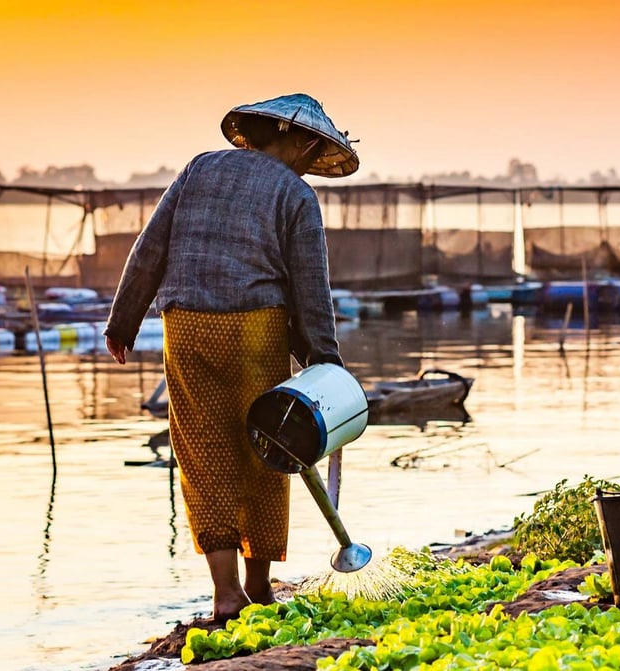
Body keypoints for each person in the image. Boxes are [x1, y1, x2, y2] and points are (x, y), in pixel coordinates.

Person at [103, 93, 358, 621]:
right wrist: (325, 361)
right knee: (270, 451)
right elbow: (311, 286)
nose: (312, 167)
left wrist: (123, 321)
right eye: (314, 156)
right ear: (303, 142)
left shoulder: (199, 168)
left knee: (203, 453)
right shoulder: (296, 195)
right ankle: (258, 587)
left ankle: (225, 595)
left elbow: (151, 247)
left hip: (187, 326)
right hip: (254, 329)